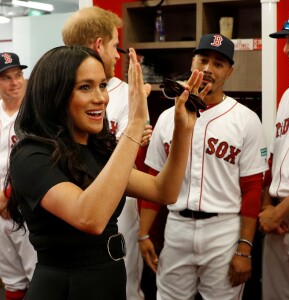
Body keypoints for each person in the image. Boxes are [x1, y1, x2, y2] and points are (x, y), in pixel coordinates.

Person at [5, 45, 209, 300]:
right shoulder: (30, 155)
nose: (101, 98)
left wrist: (183, 130)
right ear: (54, 93)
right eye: (85, 87)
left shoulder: (99, 149)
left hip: (109, 280)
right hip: (65, 288)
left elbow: (164, 190)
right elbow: (90, 217)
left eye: (102, 85)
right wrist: (135, 124)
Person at [139, 33, 268, 300]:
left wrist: (245, 248)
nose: (208, 69)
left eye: (219, 64)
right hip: (176, 228)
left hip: (224, 230)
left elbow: (253, 187)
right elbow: (153, 178)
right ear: (193, 61)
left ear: (229, 71)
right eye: (203, 59)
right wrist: (143, 233)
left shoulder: (246, 120)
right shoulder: (166, 117)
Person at [62, 8, 152, 299]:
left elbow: (129, 161)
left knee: (123, 288)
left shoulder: (128, 92)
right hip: (67, 206)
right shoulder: (56, 91)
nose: (118, 55)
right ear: (98, 45)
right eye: (115, 46)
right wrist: (128, 141)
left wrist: (129, 141)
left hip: (118, 209)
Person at [259, 8, 289, 300]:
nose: (286, 48)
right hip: (277, 218)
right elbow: (274, 160)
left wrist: (277, 214)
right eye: (287, 40)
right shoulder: (288, 96)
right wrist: (266, 208)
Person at [0, 52, 37, 300]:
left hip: (26, 207)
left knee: (37, 275)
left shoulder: (34, 114)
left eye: (19, 75)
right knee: (11, 277)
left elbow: (36, 163)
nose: (15, 82)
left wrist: (9, 197)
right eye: (6, 78)